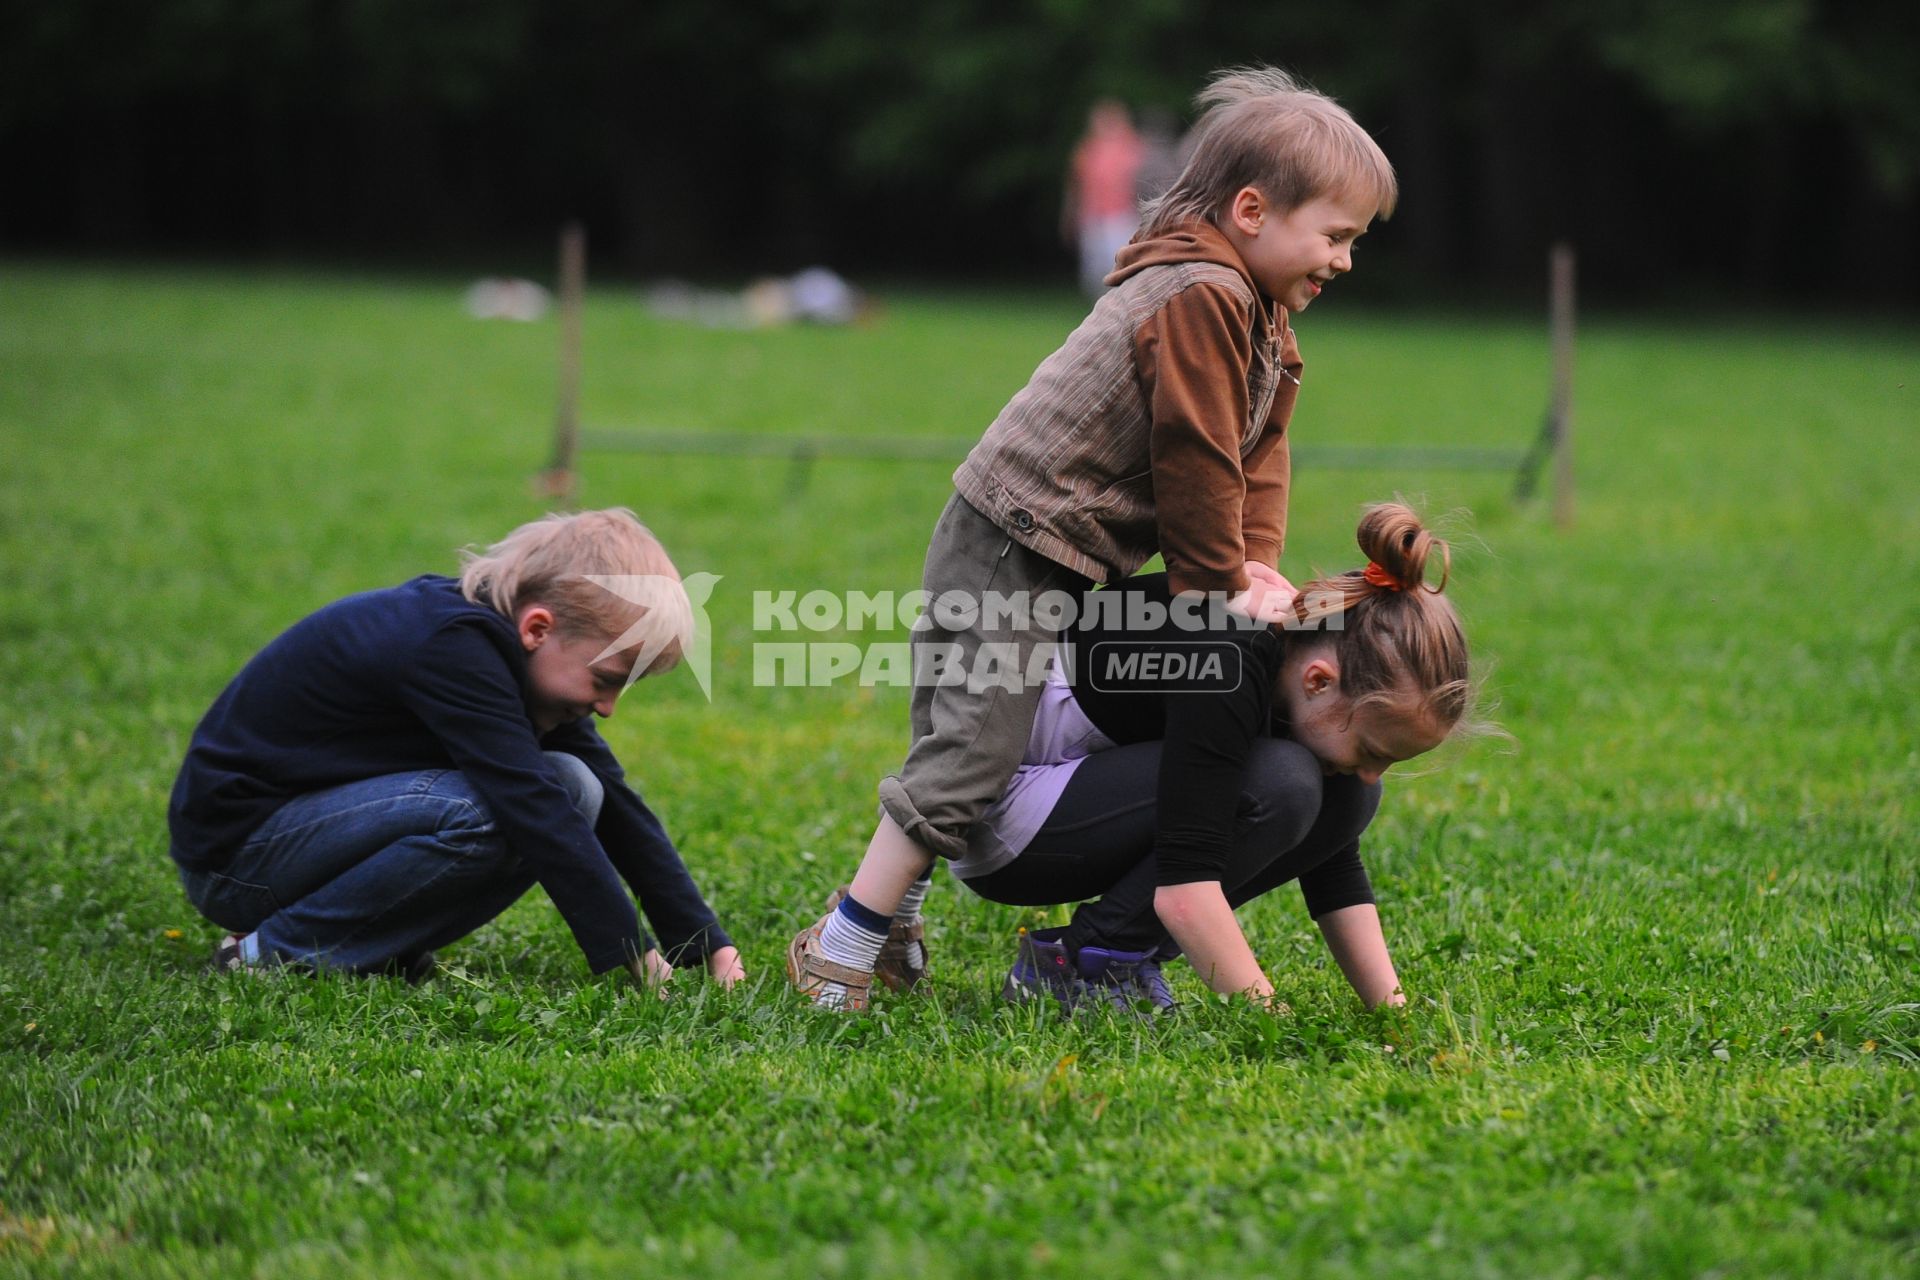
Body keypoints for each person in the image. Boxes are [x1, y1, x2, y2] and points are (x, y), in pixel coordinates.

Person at [787, 66, 1398, 1010]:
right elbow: (1195, 451)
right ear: (1250, 210)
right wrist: (1214, 584)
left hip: (1071, 558)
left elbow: (1259, 452)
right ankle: (842, 942)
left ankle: (896, 911)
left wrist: (1260, 564)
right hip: (1010, 542)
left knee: (976, 739)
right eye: (1336, 235)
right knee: (972, 751)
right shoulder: (1200, 294)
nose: (1345, 260)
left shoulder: (1263, 319)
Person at [168, 508, 745, 990]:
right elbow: (531, 805)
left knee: (579, 786)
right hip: (238, 860)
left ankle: (374, 949)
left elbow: (613, 800)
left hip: (309, 840)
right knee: (493, 807)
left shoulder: (519, 664)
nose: (609, 707)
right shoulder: (452, 648)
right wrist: (632, 956)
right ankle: (275, 952)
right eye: (608, 679)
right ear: (538, 629)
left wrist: (704, 944)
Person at [954, 503, 1471, 1013]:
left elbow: (1333, 866)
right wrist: (1277, 1026)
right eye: (1373, 750)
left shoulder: (1294, 663)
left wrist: (1393, 1012)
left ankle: (1122, 954)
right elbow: (1184, 891)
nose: (1372, 770)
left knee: (1347, 793)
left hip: (1075, 800)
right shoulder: (1228, 661)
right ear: (1319, 679)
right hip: (1002, 818)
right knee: (1284, 783)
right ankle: (1086, 961)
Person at [1063, 99, 1146, 297]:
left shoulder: (1134, 149)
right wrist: (1070, 215)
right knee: (1093, 271)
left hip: (1122, 217)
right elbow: (1075, 187)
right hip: (1093, 218)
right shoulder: (1087, 150)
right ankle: (1100, 308)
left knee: (1120, 266)